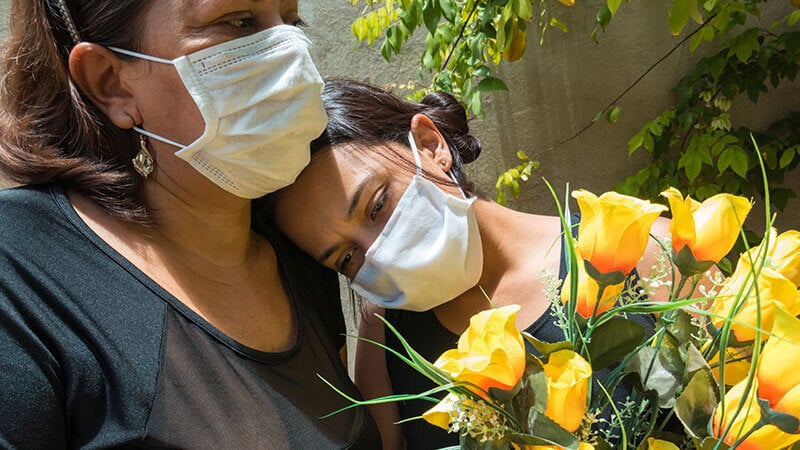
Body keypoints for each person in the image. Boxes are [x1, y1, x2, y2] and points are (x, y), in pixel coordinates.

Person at [0, 1, 379, 448]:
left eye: (292, 20)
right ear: (112, 83)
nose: (293, 53)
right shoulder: (20, 273)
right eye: (239, 22)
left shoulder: (295, 249)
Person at [270, 79, 671, 449]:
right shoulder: (385, 338)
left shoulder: (642, 250)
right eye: (347, 258)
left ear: (430, 144)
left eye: (377, 205)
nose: (378, 251)